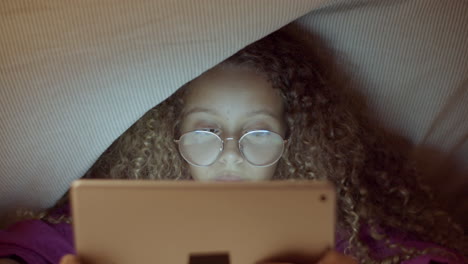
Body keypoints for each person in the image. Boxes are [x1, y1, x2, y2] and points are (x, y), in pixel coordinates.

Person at [0, 27, 466, 264]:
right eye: (205, 132)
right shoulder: (130, 216)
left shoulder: (333, 225)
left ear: (293, 140)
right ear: (173, 139)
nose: (229, 151)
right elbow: (25, 247)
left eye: (258, 133)